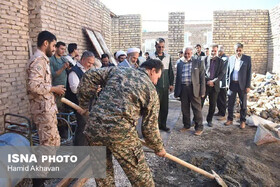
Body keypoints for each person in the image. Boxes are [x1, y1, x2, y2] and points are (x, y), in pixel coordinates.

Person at [77, 59, 167, 186]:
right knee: (141, 178)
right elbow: (149, 127)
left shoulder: (118, 70)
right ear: (152, 71)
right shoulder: (150, 90)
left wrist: (84, 104)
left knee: (103, 176)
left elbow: (89, 76)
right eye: (158, 77)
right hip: (121, 133)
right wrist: (158, 148)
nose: (156, 81)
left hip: (94, 128)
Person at [27, 31, 65, 186]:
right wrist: (53, 89)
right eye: (54, 45)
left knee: (54, 143)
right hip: (42, 111)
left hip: (47, 109)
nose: (54, 49)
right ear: (46, 43)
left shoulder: (43, 60)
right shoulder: (38, 60)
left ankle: (43, 174)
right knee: (47, 145)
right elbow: (33, 85)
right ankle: (37, 181)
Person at [65, 51, 95, 146]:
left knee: (87, 127)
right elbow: (75, 89)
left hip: (87, 103)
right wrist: (92, 89)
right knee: (82, 128)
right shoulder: (74, 71)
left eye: (92, 63)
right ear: (82, 60)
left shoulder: (88, 71)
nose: (90, 65)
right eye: (89, 62)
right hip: (78, 105)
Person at [174, 47, 205, 136]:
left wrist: (202, 91)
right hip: (183, 89)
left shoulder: (198, 62)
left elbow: (202, 77)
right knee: (185, 109)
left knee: (197, 109)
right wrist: (177, 92)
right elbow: (178, 78)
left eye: (188, 53)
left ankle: (199, 127)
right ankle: (186, 125)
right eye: (185, 53)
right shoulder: (179, 63)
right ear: (183, 53)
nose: (187, 55)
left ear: (192, 53)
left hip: (194, 89)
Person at [224, 43, 251, 129]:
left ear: (242, 50)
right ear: (234, 50)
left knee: (243, 104)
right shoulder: (231, 58)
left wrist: (248, 86)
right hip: (232, 84)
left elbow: (249, 73)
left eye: (240, 50)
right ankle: (230, 119)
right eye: (237, 50)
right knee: (230, 103)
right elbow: (228, 71)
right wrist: (227, 82)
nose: (238, 52)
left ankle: (242, 121)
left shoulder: (247, 59)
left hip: (242, 85)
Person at [150, 38, 174, 132]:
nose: (161, 48)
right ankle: (155, 126)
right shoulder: (152, 57)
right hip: (155, 86)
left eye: (162, 47)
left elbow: (170, 71)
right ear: (155, 46)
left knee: (164, 106)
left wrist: (171, 84)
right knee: (156, 106)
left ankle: (163, 125)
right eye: (159, 47)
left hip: (165, 86)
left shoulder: (168, 56)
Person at [201, 44, 225, 127]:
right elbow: (201, 72)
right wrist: (208, 81)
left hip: (215, 86)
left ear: (217, 51)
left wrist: (213, 81)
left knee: (212, 104)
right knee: (200, 103)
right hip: (205, 85)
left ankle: (209, 120)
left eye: (215, 51)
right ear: (209, 50)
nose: (213, 52)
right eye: (212, 50)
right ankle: (196, 120)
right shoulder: (204, 59)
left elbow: (222, 74)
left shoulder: (221, 61)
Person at [49, 41, 69, 112]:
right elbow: (52, 75)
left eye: (64, 49)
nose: (63, 51)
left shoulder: (64, 59)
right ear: (56, 48)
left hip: (63, 88)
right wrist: (63, 68)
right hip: (55, 89)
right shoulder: (51, 60)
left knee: (61, 108)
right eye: (61, 49)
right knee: (55, 109)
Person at [215, 45, 229, 120]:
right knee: (218, 97)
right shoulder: (219, 58)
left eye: (219, 51)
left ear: (222, 51)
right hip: (218, 81)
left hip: (222, 81)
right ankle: (219, 111)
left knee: (222, 98)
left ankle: (223, 113)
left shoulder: (225, 59)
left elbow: (223, 71)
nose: (218, 53)